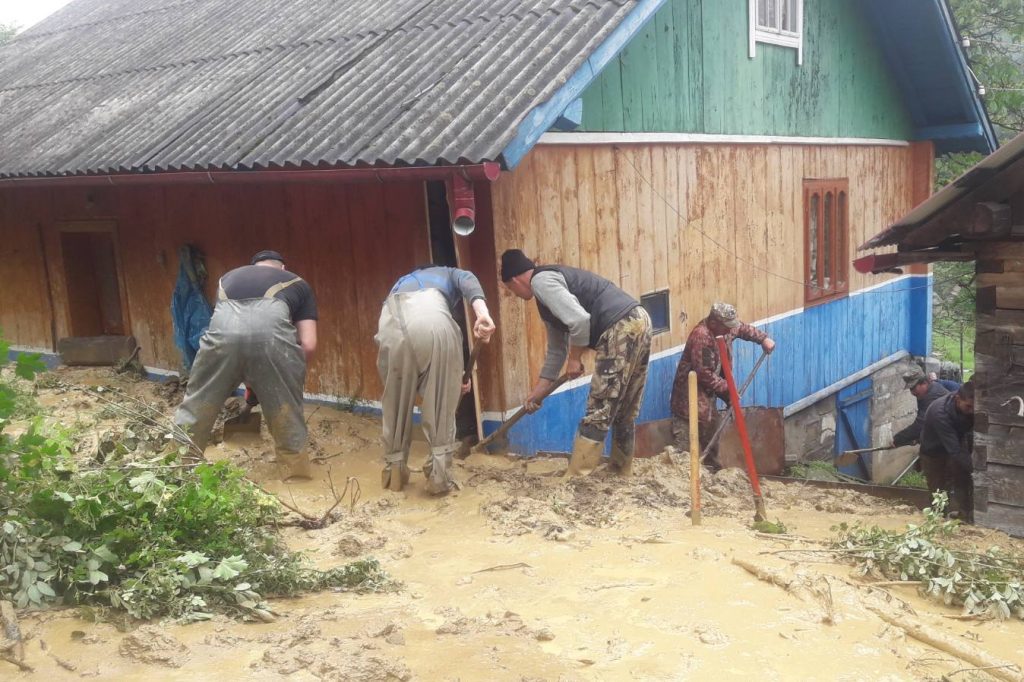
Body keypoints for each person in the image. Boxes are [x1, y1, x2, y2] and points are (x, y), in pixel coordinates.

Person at [500, 249, 652, 477]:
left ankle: (578, 479)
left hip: (619, 326)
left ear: (514, 280)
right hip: (639, 320)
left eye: (510, 290)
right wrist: (538, 392)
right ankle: (620, 472)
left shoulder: (541, 281)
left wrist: (575, 359)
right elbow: (556, 349)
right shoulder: (548, 294)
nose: (514, 294)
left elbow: (580, 321)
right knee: (624, 409)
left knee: (598, 409)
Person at [174, 250, 318, 480]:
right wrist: (285, 377)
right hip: (272, 342)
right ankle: (296, 479)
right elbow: (308, 344)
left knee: (196, 406)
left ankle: (175, 470)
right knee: (286, 411)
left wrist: (250, 377)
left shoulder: (227, 279)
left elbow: (236, 336)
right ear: (282, 268)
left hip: (220, 341)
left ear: (254, 266)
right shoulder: (296, 282)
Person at [376, 265, 495, 494]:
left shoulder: (401, 281)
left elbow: (415, 365)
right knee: (440, 408)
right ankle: (438, 480)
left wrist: (454, 377)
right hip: (430, 318)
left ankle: (394, 478)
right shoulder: (449, 273)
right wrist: (482, 313)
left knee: (396, 407)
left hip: (389, 325)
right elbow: (468, 278)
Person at [669, 303, 775, 470]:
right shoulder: (702, 337)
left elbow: (742, 329)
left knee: (712, 426)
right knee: (689, 438)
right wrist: (728, 389)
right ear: (714, 323)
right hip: (690, 395)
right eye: (727, 327)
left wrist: (763, 338)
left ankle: (712, 470)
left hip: (709, 392)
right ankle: (684, 474)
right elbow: (704, 374)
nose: (730, 330)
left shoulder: (725, 329)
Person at [919, 380, 975, 519]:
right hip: (933, 452)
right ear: (957, 399)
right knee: (938, 488)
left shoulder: (966, 406)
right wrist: (977, 470)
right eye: (969, 407)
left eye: (974, 407)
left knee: (962, 479)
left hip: (955, 441)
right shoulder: (940, 413)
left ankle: (965, 516)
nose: (972, 411)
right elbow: (955, 450)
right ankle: (939, 518)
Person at [892, 369, 949, 447]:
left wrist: (897, 439)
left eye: (913, 388)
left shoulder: (932, 396)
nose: (912, 393)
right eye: (910, 389)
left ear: (924, 383)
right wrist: (918, 438)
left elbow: (921, 424)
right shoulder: (925, 393)